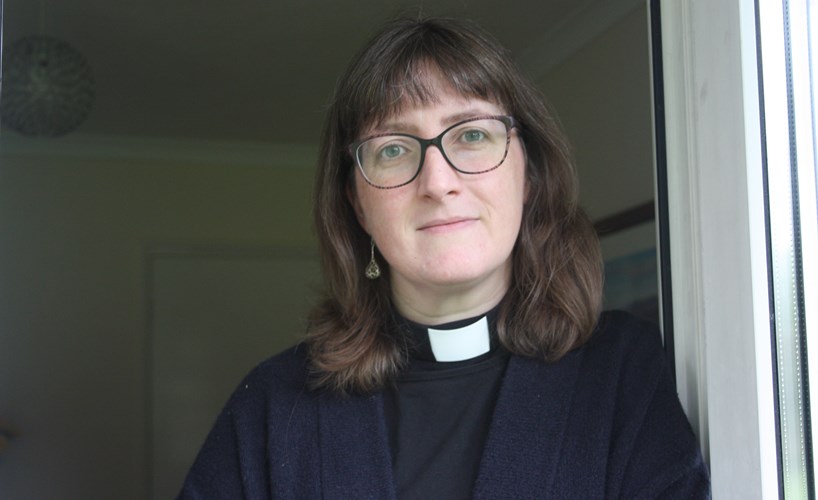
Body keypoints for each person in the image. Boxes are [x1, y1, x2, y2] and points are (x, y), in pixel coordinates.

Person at [179, 17, 710, 499]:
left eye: (472, 135)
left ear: (529, 176)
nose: (438, 182)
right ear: (358, 206)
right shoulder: (274, 407)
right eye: (392, 148)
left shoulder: (620, 374)